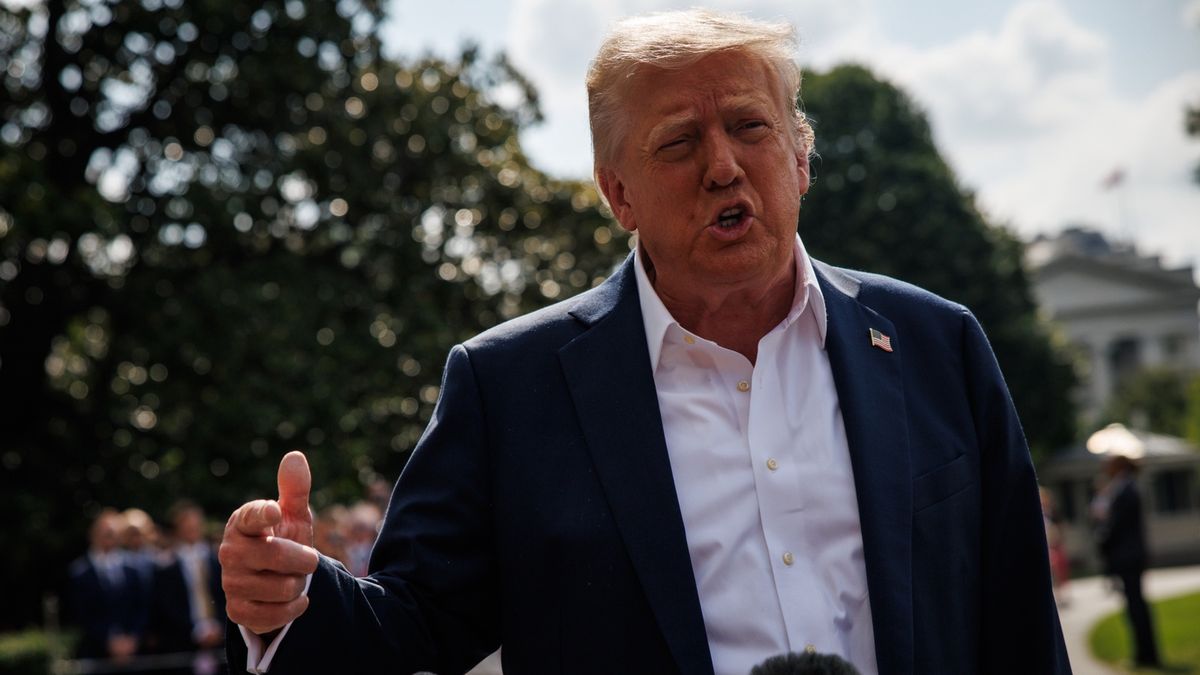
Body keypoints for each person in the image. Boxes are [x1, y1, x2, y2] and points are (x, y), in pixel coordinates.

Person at [220, 10, 1069, 674]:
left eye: (751, 126)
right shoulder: (510, 388)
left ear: (802, 158)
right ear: (618, 192)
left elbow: (1021, 629)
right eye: (679, 142)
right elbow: (413, 623)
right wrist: (290, 599)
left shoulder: (937, 346)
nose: (725, 167)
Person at [1093, 454, 1161, 668]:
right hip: (1130, 555)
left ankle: (1146, 655)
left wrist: (1103, 539)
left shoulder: (1126, 489)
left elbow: (1117, 525)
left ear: (1120, 466)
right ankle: (1143, 654)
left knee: (1136, 606)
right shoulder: (1124, 488)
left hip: (1128, 556)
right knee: (1135, 605)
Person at [150, 501, 225, 673]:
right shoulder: (166, 565)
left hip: (220, 641)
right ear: (178, 528)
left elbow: (228, 596)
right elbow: (167, 605)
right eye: (187, 525)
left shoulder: (219, 559)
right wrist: (196, 630)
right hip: (182, 644)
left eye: (196, 525)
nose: (192, 529)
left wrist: (217, 626)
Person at [66, 509, 148, 667]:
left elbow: (142, 606)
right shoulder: (79, 572)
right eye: (106, 534)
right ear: (93, 535)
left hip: (132, 654)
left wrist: (132, 638)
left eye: (114, 533)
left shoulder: (133, 568)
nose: (110, 538)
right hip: (96, 653)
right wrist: (108, 641)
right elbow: (80, 613)